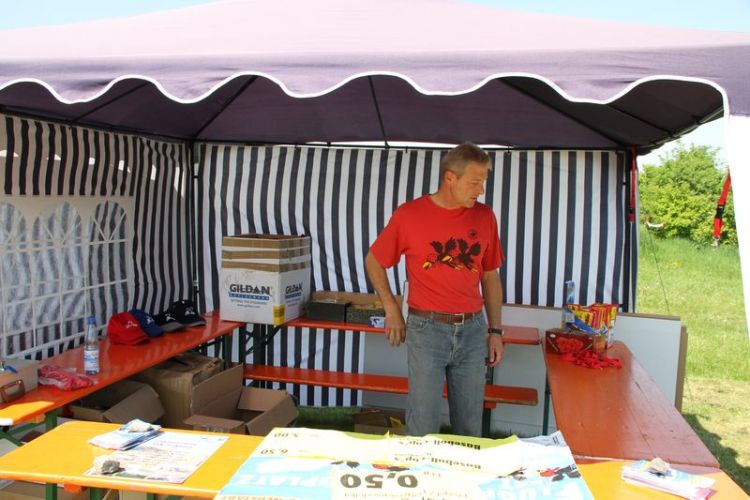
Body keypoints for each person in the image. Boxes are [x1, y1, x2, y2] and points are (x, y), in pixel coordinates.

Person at [365, 142, 505, 437]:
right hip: (427, 330)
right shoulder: (410, 215)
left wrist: (496, 331)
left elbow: (490, 277)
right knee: (423, 424)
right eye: (474, 182)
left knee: (469, 425)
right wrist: (391, 308)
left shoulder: (485, 217)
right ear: (449, 177)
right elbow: (374, 261)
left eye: (483, 182)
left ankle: (465, 468)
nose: (481, 190)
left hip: (472, 330)